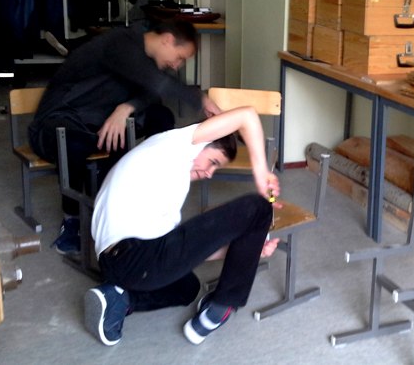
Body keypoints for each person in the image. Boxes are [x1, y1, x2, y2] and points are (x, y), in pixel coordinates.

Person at [84, 104, 282, 346]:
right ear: (202, 144)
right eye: (213, 162)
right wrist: (261, 173)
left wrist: (249, 250)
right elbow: (247, 116)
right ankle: (221, 309)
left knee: (187, 287)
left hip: (117, 264)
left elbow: (188, 254)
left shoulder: (164, 175)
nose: (209, 173)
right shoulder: (176, 144)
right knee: (259, 208)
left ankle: (118, 297)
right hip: (134, 255)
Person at [28, 19, 219, 255]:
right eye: (179, 57)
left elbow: (151, 93)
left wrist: (126, 107)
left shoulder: (150, 59)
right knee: (75, 144)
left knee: (161, 117)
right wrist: (201, 99)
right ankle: (72, 221)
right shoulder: (120, 42)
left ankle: (148, 192)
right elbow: (158, 84)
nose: (177, 65)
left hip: (102, 119)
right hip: (60, 118)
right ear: (167, 40)